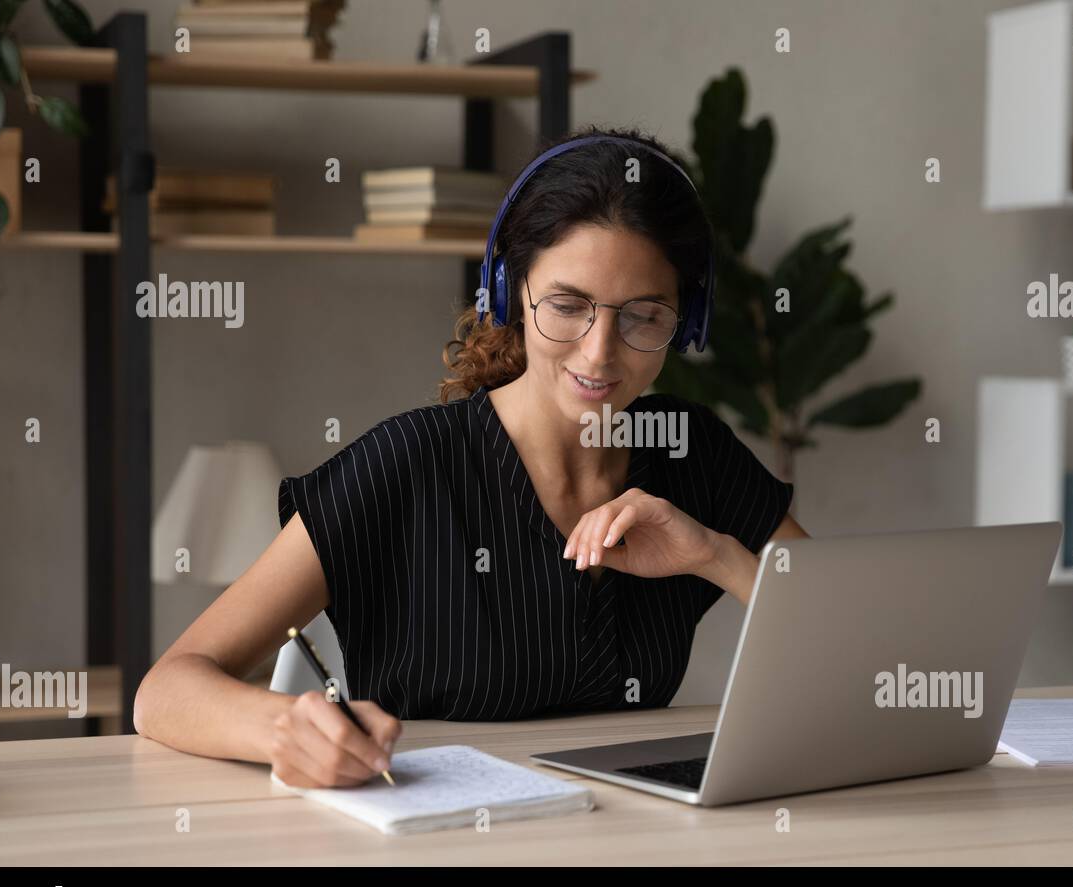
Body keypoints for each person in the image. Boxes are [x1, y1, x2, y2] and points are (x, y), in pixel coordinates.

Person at [133, 125, 808, 788]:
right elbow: (165, 690)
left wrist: (717, 558)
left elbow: (856, 654)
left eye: (643, 316)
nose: (600, 351)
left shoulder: (694, 452)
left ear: (684, 321)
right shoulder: (406, 463)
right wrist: (285, 728)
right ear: (512, 290)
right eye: (568, 306)